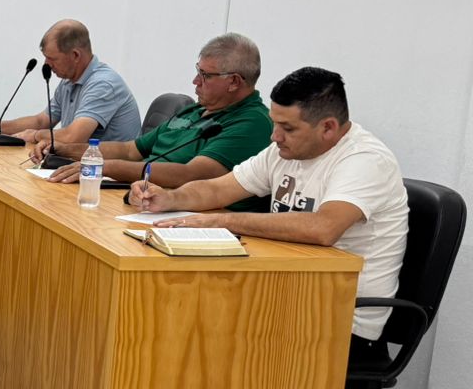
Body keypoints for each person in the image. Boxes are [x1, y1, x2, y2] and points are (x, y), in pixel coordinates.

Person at [129, 66, 408, 351]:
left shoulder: (365, 160)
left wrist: (223, 221)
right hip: (289, 294)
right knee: (177, 313)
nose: (275, 136)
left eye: (288, 128)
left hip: (341, 318)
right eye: (275, 124)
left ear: (328, 127)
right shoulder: (283, 151)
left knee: (196, 329)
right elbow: (217, 189)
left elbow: (324, 228)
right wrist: (170, 198)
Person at [45, 32, 271, 208]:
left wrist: (104, 167)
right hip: (143, 197)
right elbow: (130, 150)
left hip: (192, 214)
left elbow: (189, 174)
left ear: (234, 82)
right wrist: (63, 149)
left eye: (205, 75)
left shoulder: (252, 123)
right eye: (198, 71)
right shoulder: (193, 110)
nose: (195, 81)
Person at [0, 19, 142, 146]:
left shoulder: (103, 85)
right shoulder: (69, 81)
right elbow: (41, 121)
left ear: (75, 55)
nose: (47, 65)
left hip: (106, 177)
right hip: (77, 167)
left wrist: (35, 136)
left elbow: (74, 137)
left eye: (52, 59)